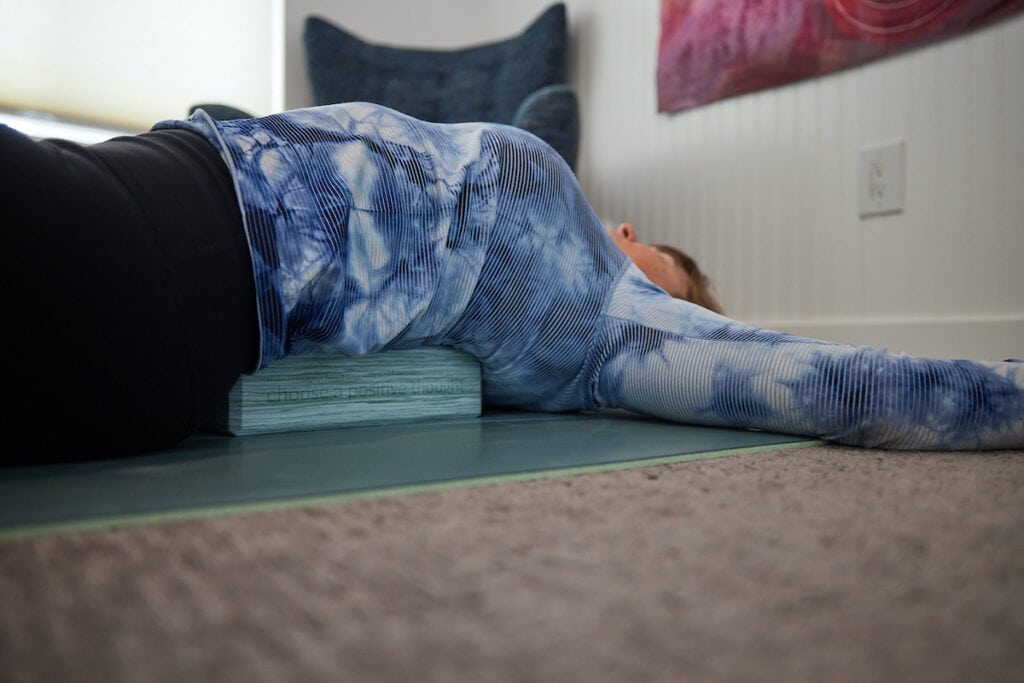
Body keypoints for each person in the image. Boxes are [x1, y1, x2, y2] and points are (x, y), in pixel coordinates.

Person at [2, 102, 1021, 464]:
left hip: (182, 264)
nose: (625, 237)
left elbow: (837, 383)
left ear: (673, 308)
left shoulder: (613, 328)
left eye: (656, 262)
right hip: (168, 173)